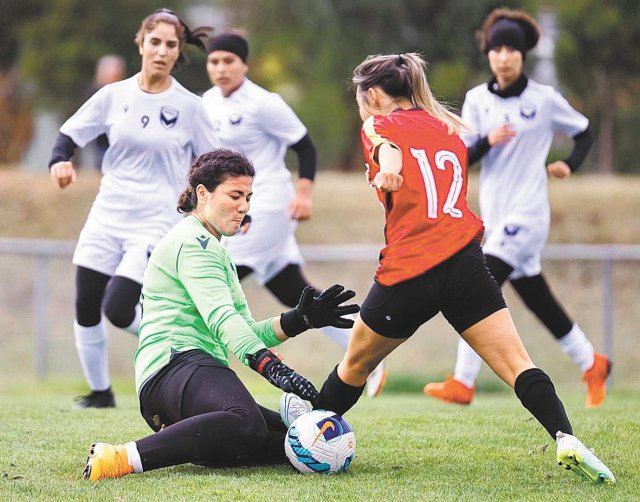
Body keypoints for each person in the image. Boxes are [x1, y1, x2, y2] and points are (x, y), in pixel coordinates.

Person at [307, 52, 615, 484]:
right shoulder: (448, 128)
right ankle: (566, 437)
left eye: (360, 96)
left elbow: (389, 150)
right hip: (466, 263)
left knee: (354, 365)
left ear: (373, 95)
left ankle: (306, 439)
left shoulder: (377, 123)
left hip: (410, 269)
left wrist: (389, 173)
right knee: (517, 364)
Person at [82, 149, 359, 480]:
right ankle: (118, 458)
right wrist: (274, 369)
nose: (244, 206)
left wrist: (300, 320)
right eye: (235, 195)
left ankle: (194, 439)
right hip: (172, 367)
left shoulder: (213, 247)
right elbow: (222, 320)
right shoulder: (194, 242)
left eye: (248, 197)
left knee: (286, 442)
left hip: (185, 377)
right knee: (247, 422)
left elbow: (242, 330)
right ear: (203, 193)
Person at [424, 8, 610, 408]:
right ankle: (590, 360)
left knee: (477, 284)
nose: (503, 56)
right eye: (496, 48)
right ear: (488, 54)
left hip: (527, 216)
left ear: (523, 55)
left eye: (511, 48)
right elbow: (461, 155)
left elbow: (584, 131)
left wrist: (569, 165)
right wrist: (486, 142)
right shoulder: (476, 100)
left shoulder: (543, 100)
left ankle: (463, 381)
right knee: (537, 297)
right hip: (493, 218)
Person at [48, 8, 218, 409]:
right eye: (154, 42)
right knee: (87, 304)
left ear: (179, 52)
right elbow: (70, 133)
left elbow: (215, 162)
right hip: (108, 213)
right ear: (140, 43)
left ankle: (182, 345)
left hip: (156, 220)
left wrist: (230, 208)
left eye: (170, 45)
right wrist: (60, 159)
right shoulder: (113, 95)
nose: (161, 51)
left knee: (119, 307)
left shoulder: (189, 106)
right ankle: (101, 393)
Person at [201, 31, 387, 397]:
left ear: (245, 65)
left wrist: (304, 194)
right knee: (295, 292)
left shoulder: (263, 103)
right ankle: (370, 354)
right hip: (239, 206)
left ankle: (202, 366)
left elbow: (305, 147)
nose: (220, 68)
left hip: (268, 206)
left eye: (228, 61)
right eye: (213, 61)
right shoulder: (205, 103)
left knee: (216, 280)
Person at [82, 54, 127, 168]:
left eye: (117, 76)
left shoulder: (127, 93)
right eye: (112, 76)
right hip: (102, 144)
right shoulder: (94, 95)